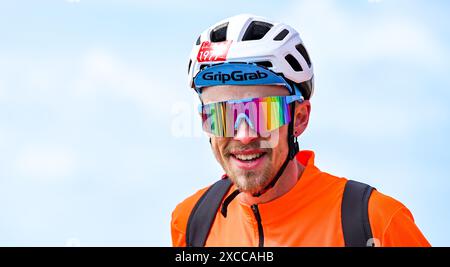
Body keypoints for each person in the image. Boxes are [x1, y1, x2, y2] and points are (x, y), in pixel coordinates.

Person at [171, 14, 430, 247]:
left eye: (263, 113)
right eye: (222, 115)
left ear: (300, 118)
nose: (244, 135)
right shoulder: (192, 222)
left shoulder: (375, 222)